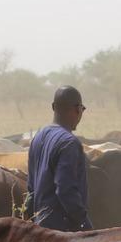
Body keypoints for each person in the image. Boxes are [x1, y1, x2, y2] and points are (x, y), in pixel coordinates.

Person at [26, 86, 93, 231]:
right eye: (82, 109)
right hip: (62, 234)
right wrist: (84, 225)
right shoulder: (69, 143)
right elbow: (65, 189)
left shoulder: (38, 137)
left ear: (53, 107)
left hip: (40, 229)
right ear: (78, 109)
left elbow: (31, 189)